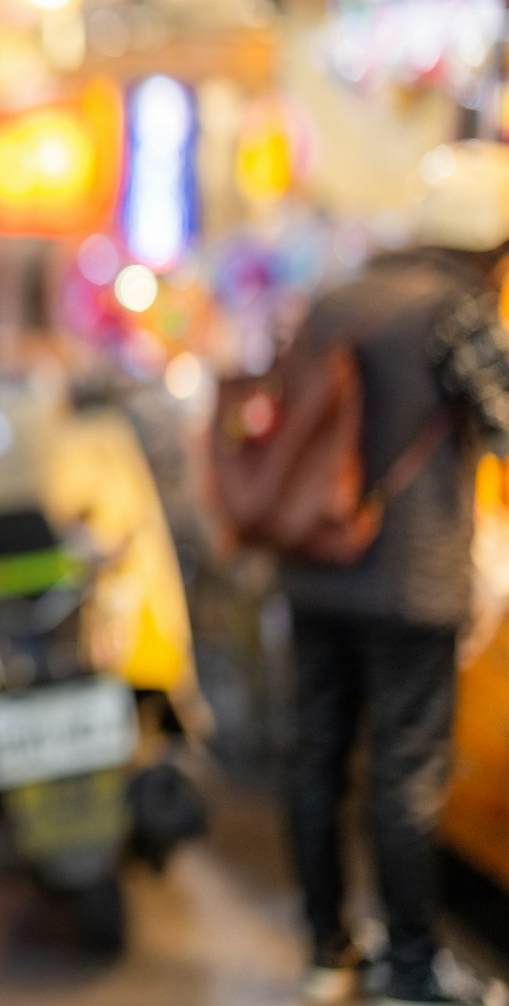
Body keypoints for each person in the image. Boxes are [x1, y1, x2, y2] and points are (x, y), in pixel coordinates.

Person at [284, 142, 509, 1006]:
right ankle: (412, 968)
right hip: (409, 581)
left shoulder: (339, 296)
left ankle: (326, 952)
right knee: (406, 775)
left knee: (318, 758)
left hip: (314, 564)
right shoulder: (455, 311)